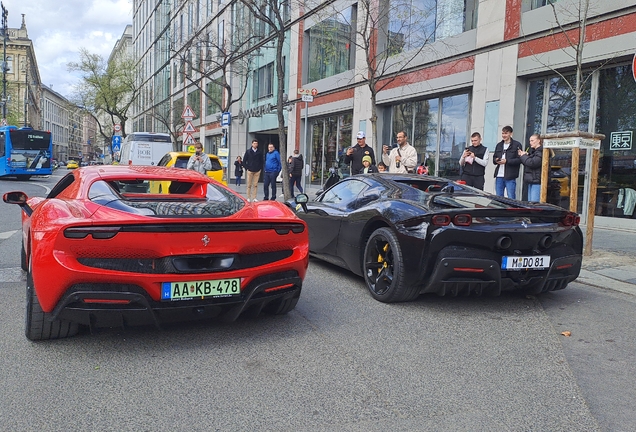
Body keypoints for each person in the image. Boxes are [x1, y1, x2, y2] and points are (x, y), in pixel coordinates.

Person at [493, 125, 523, 199]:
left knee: (511, 197)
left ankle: (512, 210)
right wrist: (496, 160)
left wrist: (507, 161)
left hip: (510, 176)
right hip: (499, 175)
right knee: (498, 198)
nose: (504, 135)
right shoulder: (499, 145)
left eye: (506, 133)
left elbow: (519, 160)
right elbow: (494, 158)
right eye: (503, 133)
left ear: (511, 134)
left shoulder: (517, 145)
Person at [518, 133, 543, 202]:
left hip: (536, 180)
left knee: (534, 203)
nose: (530, 143)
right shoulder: (534, 152)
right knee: (530, 203)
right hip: (532, 180)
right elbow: (529, 162)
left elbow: (532, 163)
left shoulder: (540, 151)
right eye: (529, 141)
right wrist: (527, 155)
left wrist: (523, 156)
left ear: (538, 141)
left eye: (532, 140)